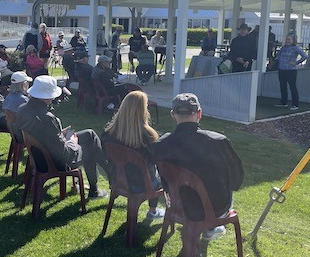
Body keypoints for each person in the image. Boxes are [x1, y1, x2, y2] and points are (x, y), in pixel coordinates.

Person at [152, 93, 243, 240]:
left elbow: (163, 179)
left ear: (172, 115)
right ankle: (211, 227)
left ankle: (209, 227)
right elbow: (236, 181)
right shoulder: (218, 142)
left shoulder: (161, 144)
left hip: (178, 205)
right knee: (226, 190)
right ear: (199, 113)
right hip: (213, 208)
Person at [16, 75, 110, 199]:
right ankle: (101, 184)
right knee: (90, 148)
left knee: (89, 134)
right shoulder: (47, 117)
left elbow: (42, 134)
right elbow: (65, 153)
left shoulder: (23, 109)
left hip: (41, 156)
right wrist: (72, 141)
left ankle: (108, 174)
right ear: (48, 96)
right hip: (55, 161)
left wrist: (60, 134)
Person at [102, 91, 165, 219]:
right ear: (143, 110)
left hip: (118, 180)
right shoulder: (148, 136)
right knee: (161, 174)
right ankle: (152, 212)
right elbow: (156, 160)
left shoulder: (108, 133)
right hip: (142, 184)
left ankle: (153, 211)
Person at [275, 34, 307, 110]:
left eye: (289, 39)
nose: (287, 41)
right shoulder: (284, 48)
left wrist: (296, 62)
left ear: (293, 40)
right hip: (282, 69)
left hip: (291, 70)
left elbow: (304, 56)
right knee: (283, 86)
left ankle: (295, 104)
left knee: (292, 87)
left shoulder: (295, 48)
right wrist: (279, 60)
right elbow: (278, 55)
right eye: (286, 39)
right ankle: (283, 102)